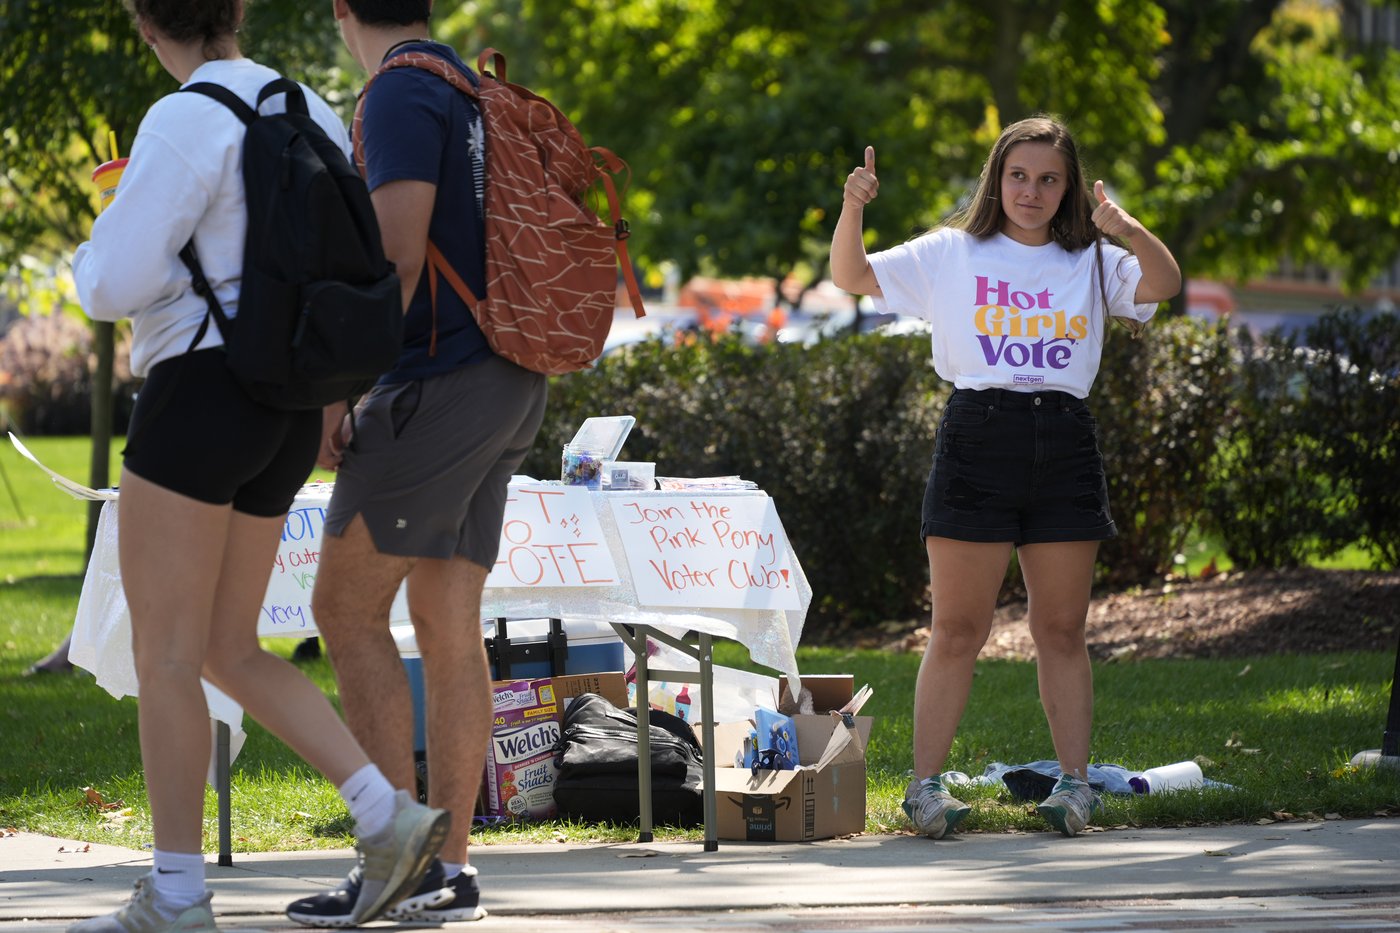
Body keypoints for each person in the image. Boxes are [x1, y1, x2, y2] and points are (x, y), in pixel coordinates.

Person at [69, 2, 450, 930]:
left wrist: (101, 237)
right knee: (226, 646)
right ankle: (386, 812)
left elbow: (111, 284)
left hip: (198, 396)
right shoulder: (308, 105)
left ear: (152, 28)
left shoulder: (185, 117)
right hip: (286, 402)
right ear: (232, 16)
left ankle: (178, 896)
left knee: (167, 655)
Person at [830, 115, 1181, 839]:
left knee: (1061, 627)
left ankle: (1075, 787)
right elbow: (853, 276)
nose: (1032, 190)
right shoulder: (954, 250)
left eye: (1049, 178)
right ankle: (923, 790)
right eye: (1018, 175)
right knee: (957, 628)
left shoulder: (1090, 258)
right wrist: (853, 205)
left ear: (1069, 188)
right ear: (998, 178)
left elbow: (1164, 283)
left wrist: (1126, 228)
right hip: (977, 437)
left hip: (1064, 441)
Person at [284, 1, 547, 924]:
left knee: (342, 609)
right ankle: (448, 872)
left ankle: (395, 859)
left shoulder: (397, 90)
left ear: (341, 10)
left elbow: (397, 256)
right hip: (512, 373)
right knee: (444, 615)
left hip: (440, 378)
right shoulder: (468, 87)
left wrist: (339, 388)